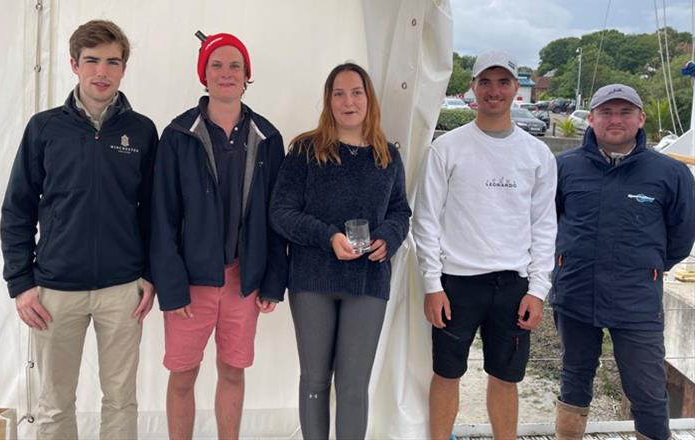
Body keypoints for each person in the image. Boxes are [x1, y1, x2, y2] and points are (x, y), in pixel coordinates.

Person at [0, 19, 158, 440]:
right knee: (54, 405)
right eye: (91, 61)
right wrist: (21, 283)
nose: (101, 72)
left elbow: (153, 213)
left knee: (121, 400)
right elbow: (17, 209)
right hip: (53, 291)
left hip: (122, 289)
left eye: (112, 62)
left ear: (124, 68)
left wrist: (149, 275)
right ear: (74, 64)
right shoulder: (44, 128)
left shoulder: (141, 131)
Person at [413, 50, 557, 440]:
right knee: (446, 373)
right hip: (457, 283)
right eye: (486, 82)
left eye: (504, 82)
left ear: (516, 91)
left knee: (506, 377)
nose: (495, 91)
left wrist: (539, 291)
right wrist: (432, 284)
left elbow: (544, 227)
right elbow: (425, 220)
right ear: (472, 89)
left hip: (513, 285)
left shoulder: (538, 154)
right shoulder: (447, 148)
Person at [150, 32, 287, 440]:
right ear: (203, 74)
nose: (226, 74)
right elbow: (162, 217)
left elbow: (278, 216)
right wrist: (172, 288)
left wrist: (273, 281)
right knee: (182, 375)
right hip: (191, 283)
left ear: (247, 75)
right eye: (217, 65)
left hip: (243, 281)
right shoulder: (177, 135)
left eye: (235, 66)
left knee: (232, 371)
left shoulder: (268, 137)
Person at [269, 62, 411, 440]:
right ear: (328, 101)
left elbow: (401, 211)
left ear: (369, 99)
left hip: (367, 281)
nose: (348, 101)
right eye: (339, 93)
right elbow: (281, 213)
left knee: (353, 386)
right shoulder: (305, 150)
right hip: (313, 279)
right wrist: (327, 236)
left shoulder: (387, 157)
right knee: (315, 379)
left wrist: (388, 237)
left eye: (356, 92)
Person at [553, 83, 695, 440]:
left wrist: (646, 269)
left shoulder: (671, 173)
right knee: (574, 381)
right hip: (575, 293)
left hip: (637, 301)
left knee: (647, 391)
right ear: (591, 119)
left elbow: (681, 237)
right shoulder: (563, 168)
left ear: (641, 118)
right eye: (606, 111)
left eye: (625, 111)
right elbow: (546, 225)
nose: (615, 119)